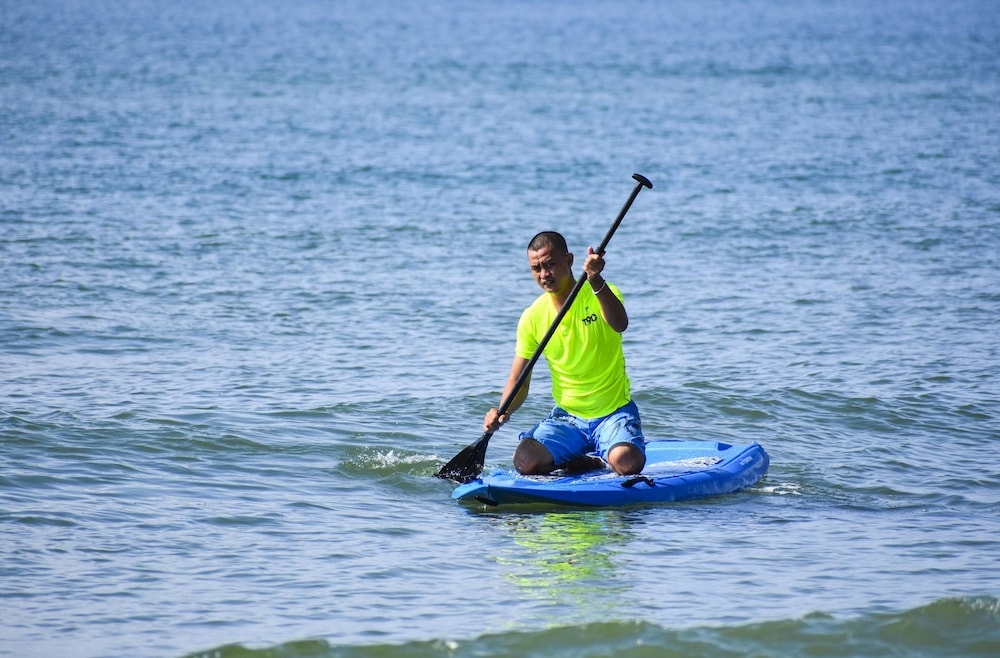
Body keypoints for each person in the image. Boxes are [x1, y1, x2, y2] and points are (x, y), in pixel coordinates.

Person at [483, 231, 646, 476]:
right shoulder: (532, 317)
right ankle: (582, 461)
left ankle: (613, 448)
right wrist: (502, 411)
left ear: (569, 261)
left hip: (614, 412)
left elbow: (620, 323)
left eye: (550, 265)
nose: (544, 274)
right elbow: (519, 381)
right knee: (525, 462)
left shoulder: (601, 292)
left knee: (627, 462)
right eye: (536, 268)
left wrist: (595, 279)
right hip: (568, 419)